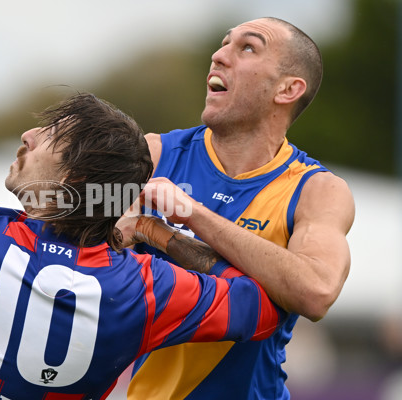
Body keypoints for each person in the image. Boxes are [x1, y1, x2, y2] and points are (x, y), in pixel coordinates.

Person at [0, 93, 286, 400]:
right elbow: (262, 306)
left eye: (50, 134)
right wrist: (161, 232)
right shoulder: (147, 288)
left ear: (73, 177)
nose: (29, 134)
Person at [118, 17, 355, 400]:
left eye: (248, 47)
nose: (218, 55)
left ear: (288, 88)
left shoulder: (317, 190)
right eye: (224, 43)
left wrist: (192, 214)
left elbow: (316, 291)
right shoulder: (153, 154)